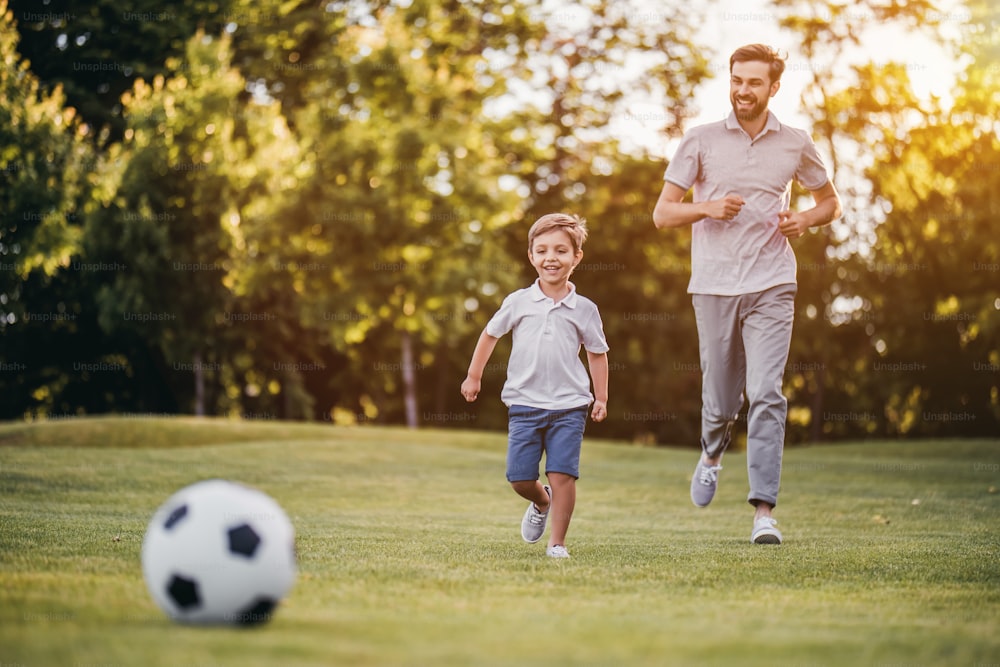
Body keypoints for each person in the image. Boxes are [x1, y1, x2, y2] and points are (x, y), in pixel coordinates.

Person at [652, 44, 842, 544]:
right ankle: (712, 453)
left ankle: (764, 512)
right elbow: (663, 213)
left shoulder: (795, 143)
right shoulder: (700, 140)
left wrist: (803, 218)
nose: (743, 90)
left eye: (754, 82)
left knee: (766, 393)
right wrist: (708, 208)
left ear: (774, 87)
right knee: (720, 398)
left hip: (773, 282)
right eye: (737, 80)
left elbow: (830, 202)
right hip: (713, 284)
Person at [461, 213, 609, 559]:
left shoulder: (585, 309)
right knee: (519, 478)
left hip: (569, 406)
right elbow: (490, 335)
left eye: (560, 250)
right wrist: (474, 375)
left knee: (563, 475)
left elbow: (598, 354)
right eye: (541, 250)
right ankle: (541, 501)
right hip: (525, 404)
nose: (551, 258)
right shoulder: (518, 302)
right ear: (531, 256)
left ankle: (557, 544)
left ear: (577, 257)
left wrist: (600, 398)